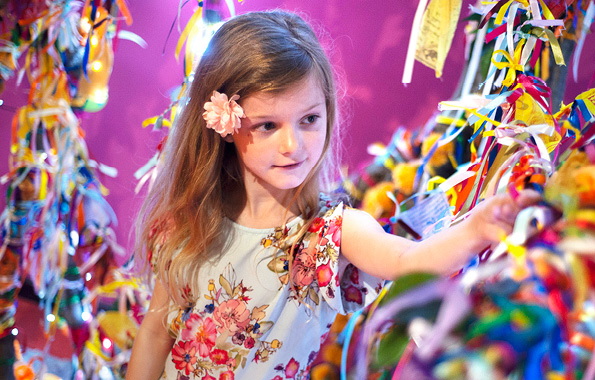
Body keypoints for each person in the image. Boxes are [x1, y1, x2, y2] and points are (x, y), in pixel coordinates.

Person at [126, 10, 540, 380]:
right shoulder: (194, 218)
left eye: (309, 119)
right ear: (225, 127)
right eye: (268, 125)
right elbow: (156, 333)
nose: (294, 145)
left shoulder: (330, 233)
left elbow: (407, 260)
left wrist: (478, 229)